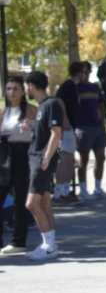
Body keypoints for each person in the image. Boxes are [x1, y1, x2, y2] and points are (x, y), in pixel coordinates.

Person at [22, 71, 64, 261]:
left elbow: (56, 133)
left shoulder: (51, 104)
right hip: (37, 158)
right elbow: (46, 132)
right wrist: (31, 127)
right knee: (45, 202)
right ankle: (49, 244)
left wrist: (46, 158)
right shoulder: (41, 107)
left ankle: (49, 245)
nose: (25, 91)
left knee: (31, 204)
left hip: (42, 161)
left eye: (24, 86)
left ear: (31, 86)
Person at [0, 76, 37, 256]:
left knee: (20, 199)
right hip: (6, 154)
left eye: (15, 89)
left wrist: (31, 128)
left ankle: (18, 240)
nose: (11, 92)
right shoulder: (3, 113)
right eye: (8, 89)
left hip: (23, 153)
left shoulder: (30, 110)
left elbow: (43, 131)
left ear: (23, 91)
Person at [75, 63, 106, 199]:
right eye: (83, 72)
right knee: (84, 158)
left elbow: (101, 105)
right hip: (83, 126)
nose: (85, 75)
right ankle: (83, 190)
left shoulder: (95, 87)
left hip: (98, 127)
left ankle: (98, 187)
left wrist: (102, 122)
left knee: (100, 157)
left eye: (87, 72)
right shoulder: (75, 88)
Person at [52, 62, 82, 205]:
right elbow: (58, 99)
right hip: (66, 127)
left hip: (72, 127)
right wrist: (64, 118)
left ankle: (66, 191)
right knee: (64, 159)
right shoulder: (68, 86)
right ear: (80, 73)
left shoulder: (73, 87)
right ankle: (58, 194)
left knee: (70, 160)